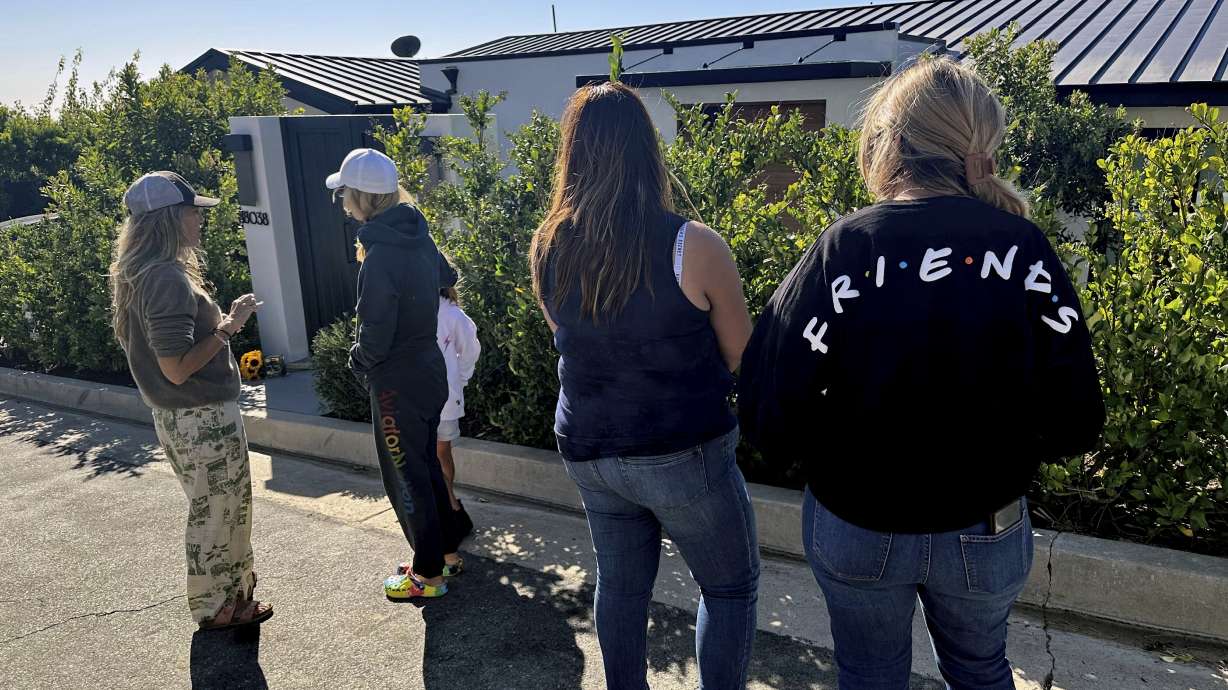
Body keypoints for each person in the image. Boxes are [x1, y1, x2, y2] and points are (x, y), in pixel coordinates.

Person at [738, 57, 1104, 690]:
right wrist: (1005, 449)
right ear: (978, 144)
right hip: (988, 525)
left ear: (891, 142)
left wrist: (825, 458)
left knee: (869, 675)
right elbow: (1076, 415)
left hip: (857, 520)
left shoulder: (847, 246)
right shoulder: (1024, 248)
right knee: (982, 671)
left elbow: (770, 398)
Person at [530, 82, 760, 690]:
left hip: (588, 446)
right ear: (646, 151)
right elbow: (742, 356)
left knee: (622, 586)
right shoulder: (694, 245)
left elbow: (568, 333)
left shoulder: (548, 244)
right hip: (680, 449)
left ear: (573, 154)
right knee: (729, 587)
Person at [109, 171, 273, 630]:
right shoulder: (162, 277)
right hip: (200, 419)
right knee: (217, 514)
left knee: (224, 509)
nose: (200, 219)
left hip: (187, 418)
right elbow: (176, 367)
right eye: (192, 212)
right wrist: (228, 327)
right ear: (168, 220)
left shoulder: (144, 272)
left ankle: (233, 597)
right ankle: (216, 607)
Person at [326, 148, 465, 600]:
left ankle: (426, 576)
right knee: (425, 466)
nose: (343, 201)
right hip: (429, 368)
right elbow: (449, 274)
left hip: (396, 381)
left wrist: (357, 362)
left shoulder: (379, 252)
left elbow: (376, 332)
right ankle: (444, 553)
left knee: (406, 475)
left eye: (344, 193)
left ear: (361, 197)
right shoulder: (417, 233)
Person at [434, 257, 479, 538]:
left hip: (444, 398)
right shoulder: (413, 308)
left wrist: (459, 381)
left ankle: (449, 507)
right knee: (433, 454)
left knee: (440, 453)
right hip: (420, 398)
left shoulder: (452, 315)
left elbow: (470, 351)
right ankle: (446, 508)